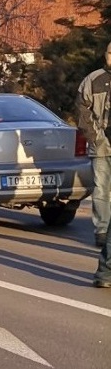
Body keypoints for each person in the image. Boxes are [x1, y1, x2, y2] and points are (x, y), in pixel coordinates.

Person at [77, 41, 111, 278]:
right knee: (101, 188)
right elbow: (82, 110)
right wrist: (95, 137)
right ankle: (102, 230)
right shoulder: (93, 79)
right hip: (101, 146)